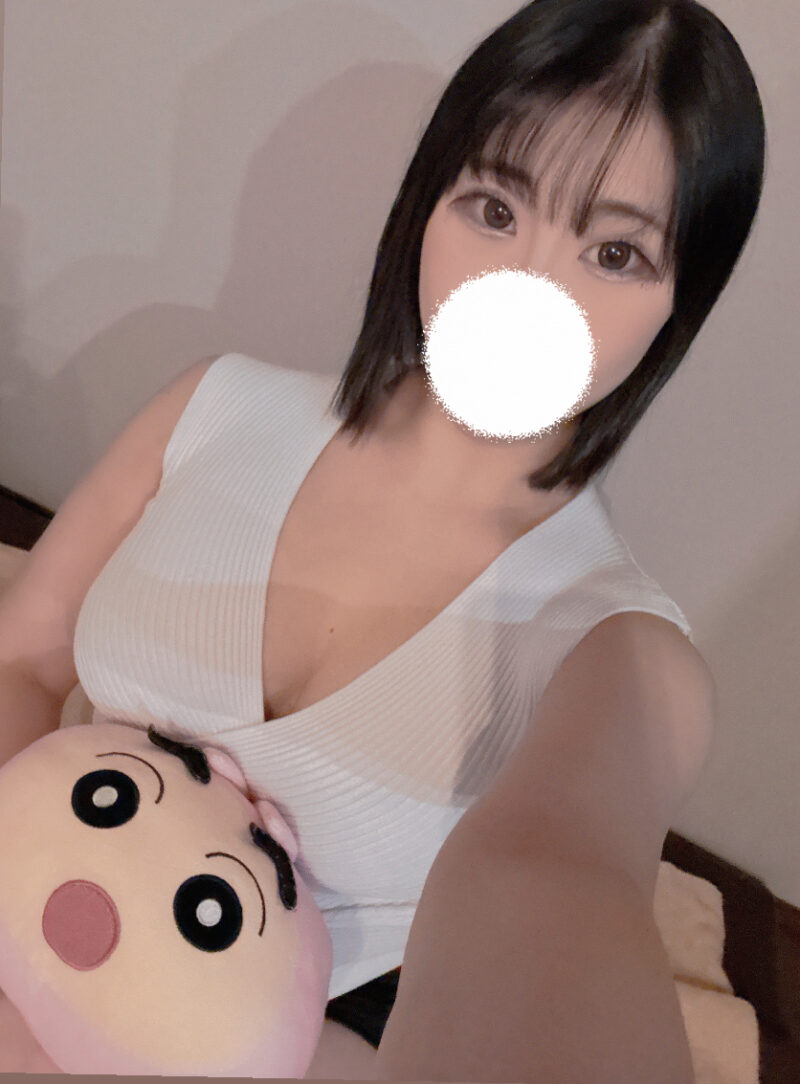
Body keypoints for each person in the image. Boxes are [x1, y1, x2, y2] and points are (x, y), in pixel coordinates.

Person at [0, 0, 765, 1079]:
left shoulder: (627, 657)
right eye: (494, 209)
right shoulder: (211, 405)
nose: (526, 290)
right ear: (425, 204)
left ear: (677, 306)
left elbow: (559, 886)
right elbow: (25, 657)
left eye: (612, 251)